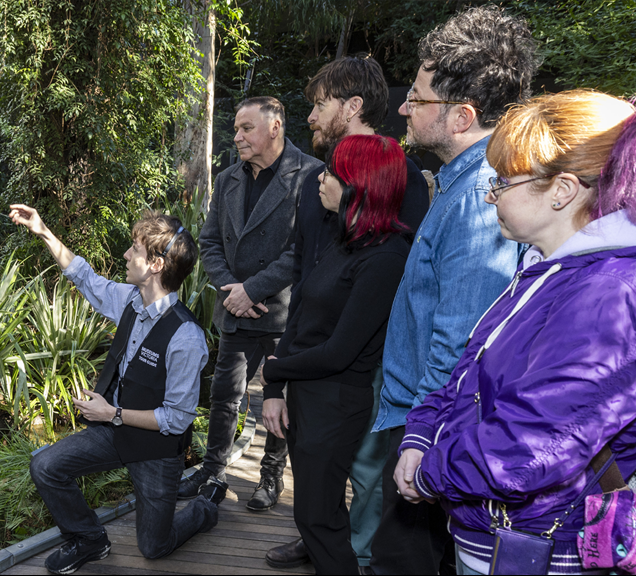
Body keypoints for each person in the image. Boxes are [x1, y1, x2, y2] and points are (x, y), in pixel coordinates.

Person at [396, 90, 636, 575]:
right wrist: (420, 436)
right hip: (498, 531)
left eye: (503, 182)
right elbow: (470, 370)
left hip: (542, 546)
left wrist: (431, 473)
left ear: (561, 191)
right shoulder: (546, 270)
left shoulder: (606, 293)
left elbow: (535, 441)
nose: (491, 195)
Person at [369, 7, 539, 574]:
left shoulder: (476, 200)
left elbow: (462, 343)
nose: (402, 108)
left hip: (434, 435)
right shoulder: (461, 183)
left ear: (462, 116)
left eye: (416, 98)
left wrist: (424, 444)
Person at [263, 55, 430, 573]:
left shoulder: (400, 189)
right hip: (313, 363)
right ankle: (323, 538)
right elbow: (305, 273)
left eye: (319, 104)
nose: (310, 116)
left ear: (352, 105)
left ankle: (355, 551)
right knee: (319, 491)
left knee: (368, 471)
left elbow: (397, 285)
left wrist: (277, 368)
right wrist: (277, 383)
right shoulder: (321, 189)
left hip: (364, 365)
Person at [12, 204, 224, 575]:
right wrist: (43, 231)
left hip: (156, 451)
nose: (126, 254)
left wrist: (113, 413)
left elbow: (176, 419)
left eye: (135, 250)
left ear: (156, 265)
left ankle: (205, 507)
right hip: (114, 432)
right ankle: (90, 539)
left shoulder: (187, 338)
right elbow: (84, 276)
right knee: (44, 465)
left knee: (154, 548)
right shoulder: (130, 300)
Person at [184, 96, 322, 511]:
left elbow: (303, 249)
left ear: (275, 126)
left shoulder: (309, 175)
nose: (237, 136)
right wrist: (232, 290)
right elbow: (209, 241)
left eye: (246, 128)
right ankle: (212, 471)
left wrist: (253, 290)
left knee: (279, 402)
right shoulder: (228, 179)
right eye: (236, 129)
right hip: (236, 310)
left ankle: (270, 477)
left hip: (283, 314)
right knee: (225, 395)